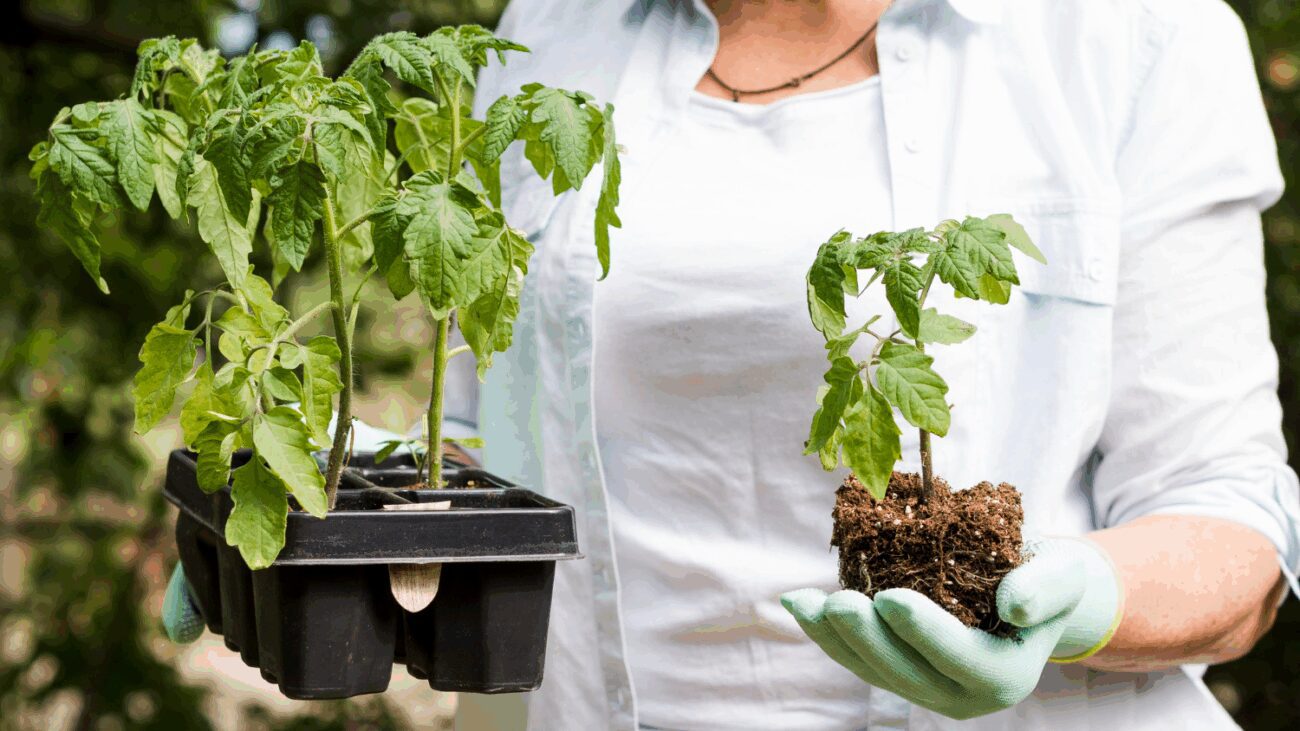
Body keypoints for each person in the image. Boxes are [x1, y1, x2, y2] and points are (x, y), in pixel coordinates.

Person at [167, 1, 1300, 729]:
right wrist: (333, 497)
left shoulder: (1127, 34)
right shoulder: (554, 35)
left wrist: (1080, 599)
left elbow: (1231, 530)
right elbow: (493, 437)